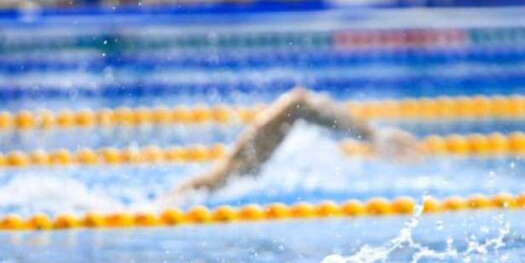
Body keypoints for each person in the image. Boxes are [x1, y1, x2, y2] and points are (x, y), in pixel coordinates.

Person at [169, 86, 421, 196]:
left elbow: (297, 104)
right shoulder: (225, 177)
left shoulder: (226, 176)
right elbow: (297, 104)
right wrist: (372, 135)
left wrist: (371, 135)